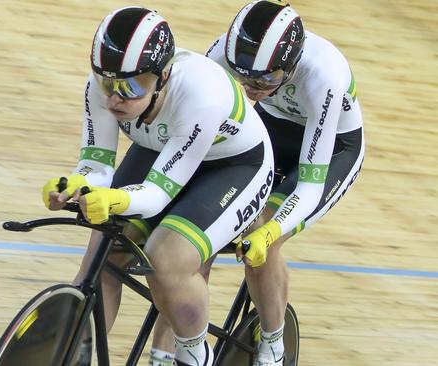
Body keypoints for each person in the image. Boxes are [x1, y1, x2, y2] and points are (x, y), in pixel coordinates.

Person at [41, 6, 275, 366]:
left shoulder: (201, 95)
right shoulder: (107, 87)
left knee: (167, 259)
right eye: (107, 82)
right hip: (163, 149)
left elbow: (157, 195)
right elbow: (97, 167)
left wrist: (114, 199)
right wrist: (76, 183)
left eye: (131, 86)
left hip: (235, 167)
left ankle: (196, 354)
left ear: (163, 76)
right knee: (103, 255)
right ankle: (75, 355)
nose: (115, 97)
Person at [202, 1, 365, 365]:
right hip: (269, 129)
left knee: (262, 232)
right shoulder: (224, 53)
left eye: (265, 81)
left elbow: (309, 183)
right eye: (243, 77)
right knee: (208, 217)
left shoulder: (325, 76)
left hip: (331, 147)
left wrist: (272, 230)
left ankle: (273, 345)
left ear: (290, 66)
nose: (251, 88)